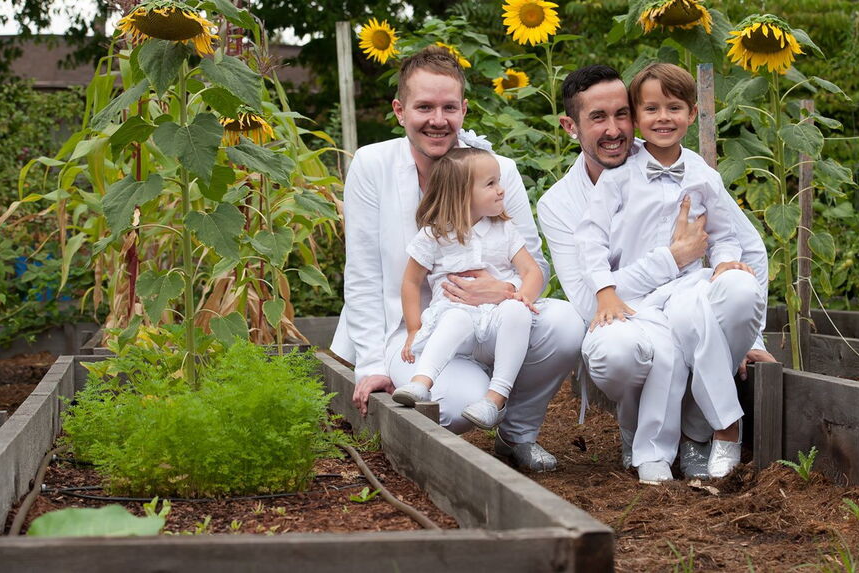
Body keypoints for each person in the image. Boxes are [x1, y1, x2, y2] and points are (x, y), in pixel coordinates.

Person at [330, 46, 585, 471]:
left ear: (464, 109)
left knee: (566, 324)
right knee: (454, 404)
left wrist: (503, 290)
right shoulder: (372, 165)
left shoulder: (496, 168)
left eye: (449, 107)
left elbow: (535, 265)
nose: (437, 119)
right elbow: (363, 273)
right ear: (399, 110)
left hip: (496, 319)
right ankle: (476, 394)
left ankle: (517, 434)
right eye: (424, 107)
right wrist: (372, 366)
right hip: (413, 333)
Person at [537, 64, 774, 484]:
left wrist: (747, 329)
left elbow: (738, 239)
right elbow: (589, 281)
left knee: (705, 321)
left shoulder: (699, 172)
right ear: (570, 126)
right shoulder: (586, 193)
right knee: (651, 356)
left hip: (687, 289)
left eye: (621, 114)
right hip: (629, 310)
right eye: (597, 118)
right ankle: (647, 446)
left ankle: (711, 431)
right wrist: (671, 257)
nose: (614, 129)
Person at [391, 147, 543, 430]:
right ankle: (422, 381)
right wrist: (413, 329)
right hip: (455, 317)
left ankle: (494, 399)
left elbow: (532, 271)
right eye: (491, 184)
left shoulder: (504, 230)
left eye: (499, 181)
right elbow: (411, 281)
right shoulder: (435, 235)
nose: (501, 190)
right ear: (462, 194)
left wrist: (522, 295)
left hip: (495, 320)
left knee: (517, 311)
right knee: (456, 318)